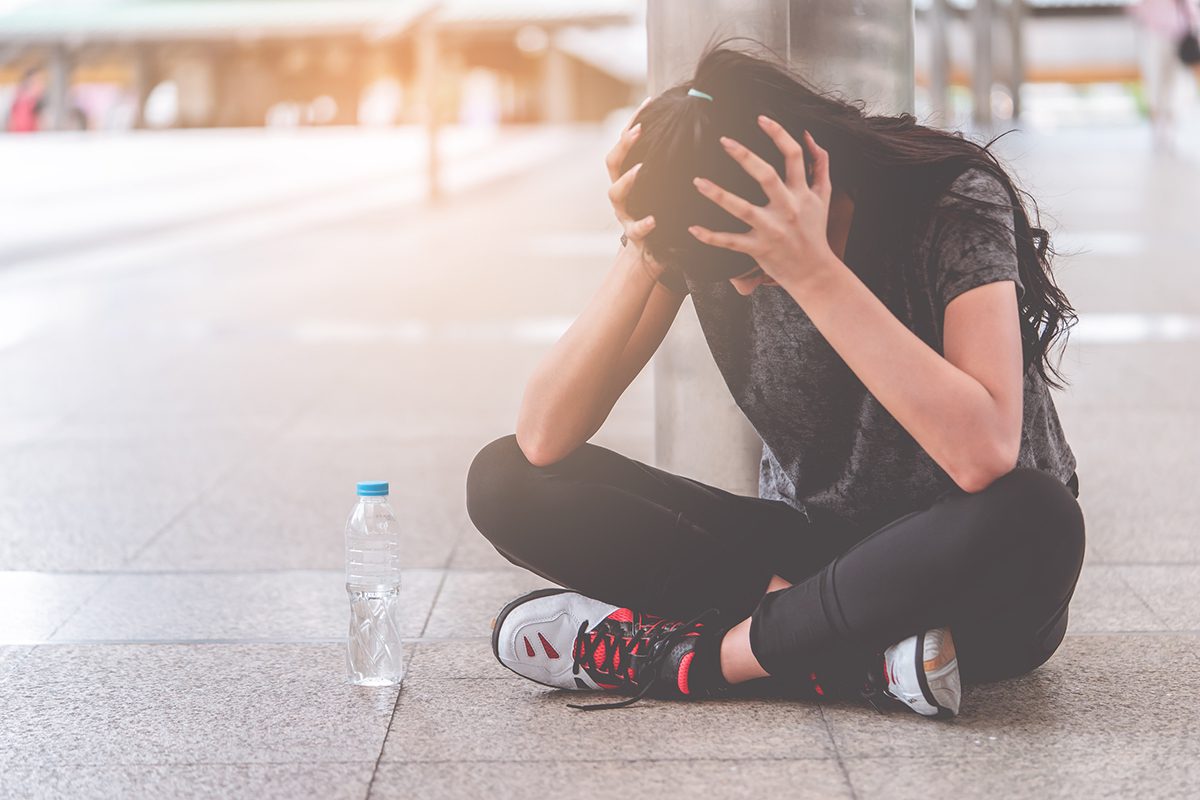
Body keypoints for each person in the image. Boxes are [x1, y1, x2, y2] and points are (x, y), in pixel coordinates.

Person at [465, 42, 1084, 718]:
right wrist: (644, 248)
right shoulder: (711, 231)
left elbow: (984, 453)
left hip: (959, 570)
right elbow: (545, 436)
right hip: (803, 559)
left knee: (1039, 512)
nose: (735, 283)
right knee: (504, 479)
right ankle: (849, 662)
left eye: (745, 259)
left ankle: (705, 661)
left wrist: (811, 271)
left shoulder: (949, 199)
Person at [1129, 0, 1200, 151]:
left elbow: (1192, 12)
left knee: (1175, 82)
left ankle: (1169, 123)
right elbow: (1135, 8)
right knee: (1156, 80)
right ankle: (1158, 123)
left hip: (1179, 38)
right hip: (1153, 36)